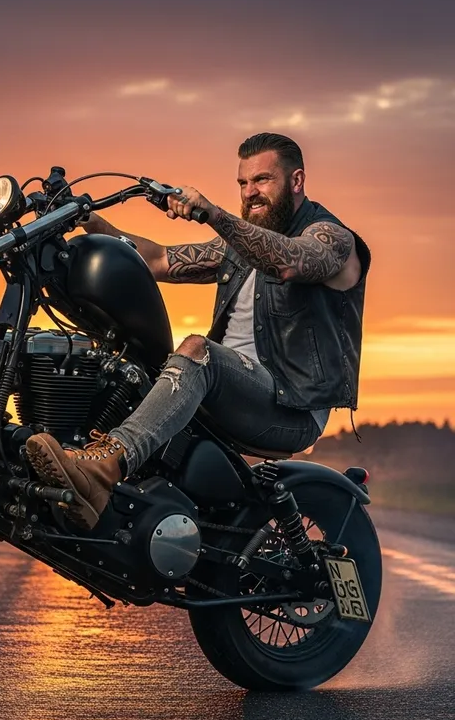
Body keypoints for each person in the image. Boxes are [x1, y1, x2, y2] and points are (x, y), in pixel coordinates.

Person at [24, 132, 371, 529]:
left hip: (290, 407)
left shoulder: (333, 240)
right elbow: (156, 259)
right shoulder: (240, 248)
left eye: (262, 180)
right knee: (125, 369)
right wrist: (87, 218)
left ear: (297, 181)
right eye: (243, 182)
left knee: (196, 350)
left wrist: (214, 214)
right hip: (230, 389)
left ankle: (105, 468)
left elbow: (290, 261)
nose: (250, 192)